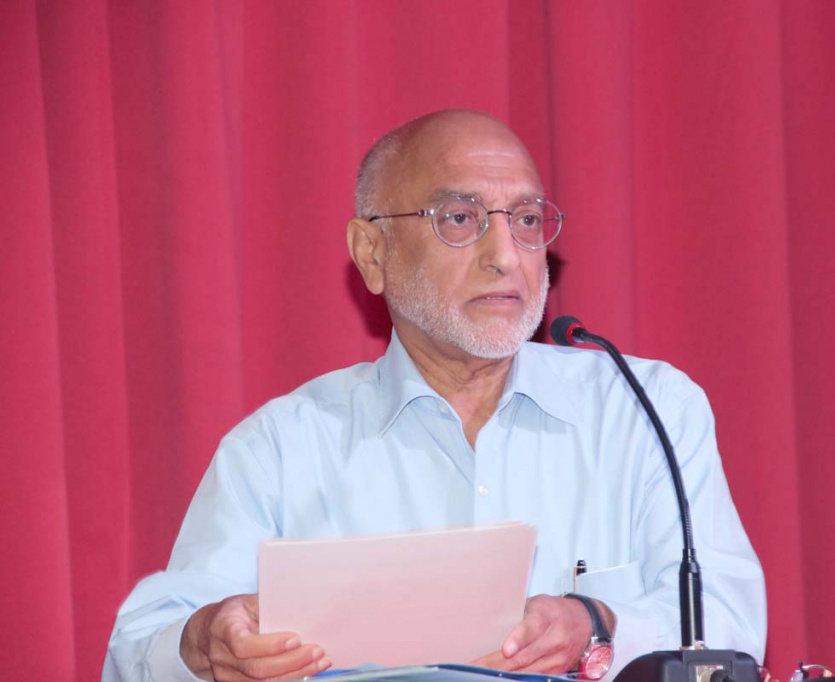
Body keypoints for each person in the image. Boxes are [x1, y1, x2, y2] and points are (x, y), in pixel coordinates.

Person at [103, 109, 767, 682]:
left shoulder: (643, 411)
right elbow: (138, 648)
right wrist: (204, 642)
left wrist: (597, 623)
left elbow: (730, 625)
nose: (506, 254)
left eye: (526, 219)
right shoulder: (283, 448)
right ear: (372, 251)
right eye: (460, 218)